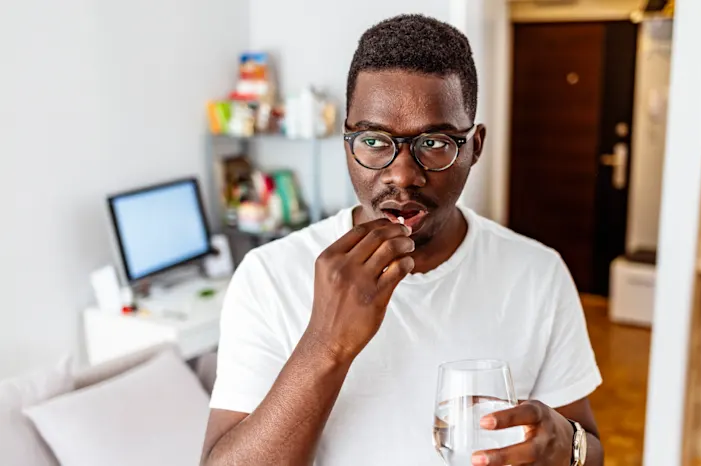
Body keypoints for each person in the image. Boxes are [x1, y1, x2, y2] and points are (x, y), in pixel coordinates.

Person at [201, 14, 604, 466]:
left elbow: (587, 446)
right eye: (374, 140)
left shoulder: (537, 273)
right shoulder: (269, 276)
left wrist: (567, 447)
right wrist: (326, 344)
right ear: (347, 143)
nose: (402, 175)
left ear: (475, 147)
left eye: (434, 143)